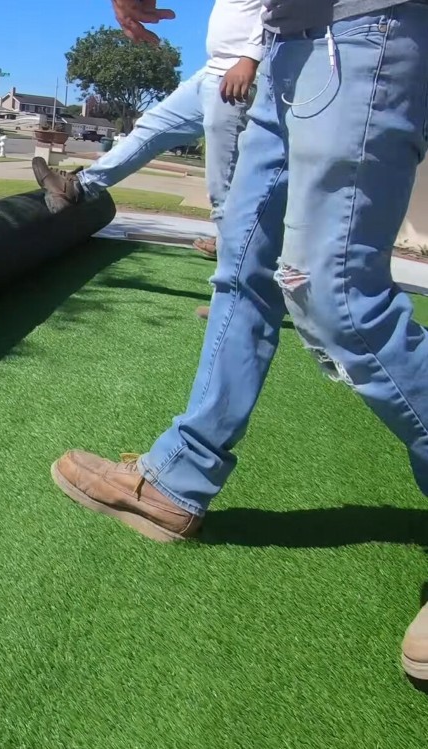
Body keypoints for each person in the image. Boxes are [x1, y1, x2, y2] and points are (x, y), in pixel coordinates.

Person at [52, 0, 428, 680]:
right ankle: (179, 475)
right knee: (240, 270)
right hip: (287, 43)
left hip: (368, 27)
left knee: (335, 296)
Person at [33, 0, 264, 282]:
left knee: (223, 185)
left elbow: (279, 9)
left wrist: (250, 59)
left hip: (242, 74)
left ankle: (233, 287)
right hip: (213, 70)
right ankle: (79, 186)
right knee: (151, 127)